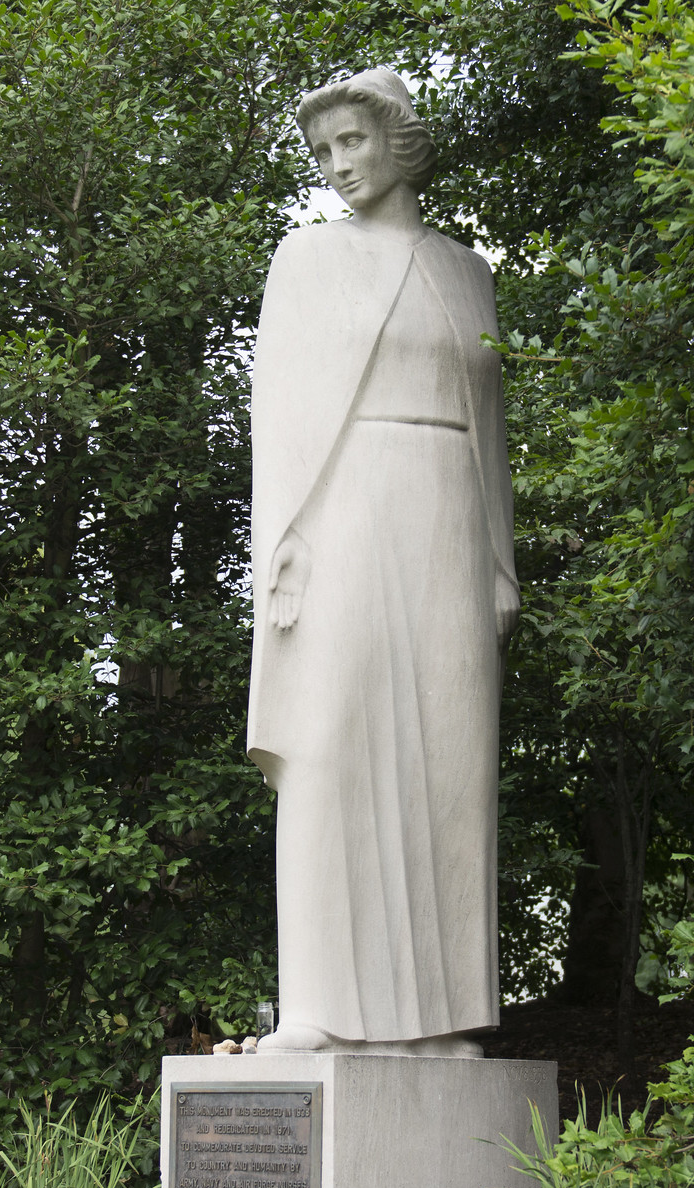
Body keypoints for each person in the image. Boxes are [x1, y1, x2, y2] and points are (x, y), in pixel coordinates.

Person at [247, 68, 519, 1057]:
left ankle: (435, 1016)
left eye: (351, 142)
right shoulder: (307, 260)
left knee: (449, 759)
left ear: (398, 141)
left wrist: (498, 558)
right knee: (331, 740)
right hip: (345, 508)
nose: (336, 166)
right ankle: (316, 1002)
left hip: (445, 513)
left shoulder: (466, 271)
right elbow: (277, 414)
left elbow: (486, 423)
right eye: (323, 153)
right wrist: (281, 549)